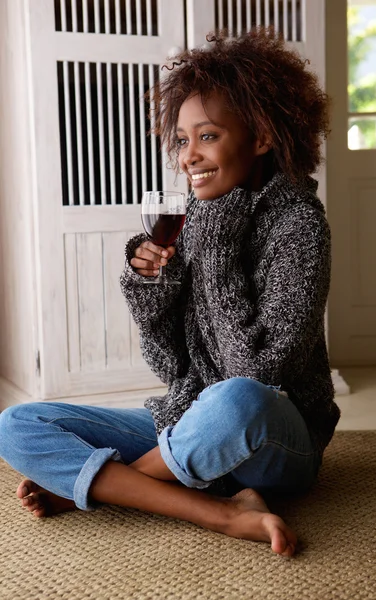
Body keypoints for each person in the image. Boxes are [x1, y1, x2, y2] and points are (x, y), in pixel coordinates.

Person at [0, 27, 340, 558]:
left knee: (236, 400)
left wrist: (219, 249)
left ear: (261, 138)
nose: (187, 157)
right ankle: (224, 511)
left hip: (269, 436)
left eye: (207, 136)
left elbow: (255, 375)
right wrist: (152, 288)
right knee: (17, 424)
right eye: (181, 140)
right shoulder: (195, 219)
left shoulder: (299, 227)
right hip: (192, 421)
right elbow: (171, 367)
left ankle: (113, 488)